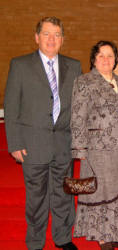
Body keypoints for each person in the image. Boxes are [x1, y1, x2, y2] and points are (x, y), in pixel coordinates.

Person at [4, 17, 81, 250]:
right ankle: (35, 241)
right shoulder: (20, 65)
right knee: (36, 198)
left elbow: (78, 107)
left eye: (56, 34)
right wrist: (14, 143)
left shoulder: (74, 66)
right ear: (37, 37)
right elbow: (11, 106)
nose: (51, 39)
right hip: (32, 144)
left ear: (62, 39)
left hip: (63, 143)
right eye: (46, 34)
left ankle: (63, 238)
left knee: (64, 195)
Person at [71, 41, 118, 250]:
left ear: (116, 59)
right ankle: (102, 236)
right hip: (97, 148)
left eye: (110, 55)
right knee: (101, 190)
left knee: (117, 188)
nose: (106, 59)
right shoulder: (84, 82)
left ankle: (114, 230)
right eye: (101, 55)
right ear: (93, 59)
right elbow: (77, 116)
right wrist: (79, 149)